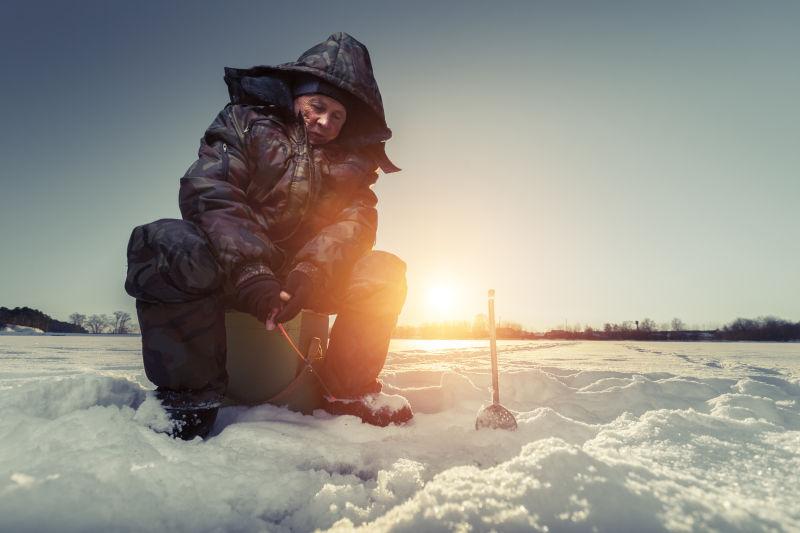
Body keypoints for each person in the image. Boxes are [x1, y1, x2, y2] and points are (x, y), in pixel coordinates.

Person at [124, 32, 411, 440]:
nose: (325, 122)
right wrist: (250, 269)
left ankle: (347, 394)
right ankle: (186, 400)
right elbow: (211, 191)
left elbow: (352, 227)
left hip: (306, 279)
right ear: (297, 95)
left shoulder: (354, 165)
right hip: (229, 266)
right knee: (167, 242)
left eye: (338, 117)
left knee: (382, 269)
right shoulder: (243, 123)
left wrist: (311, 272)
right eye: (318, 106)